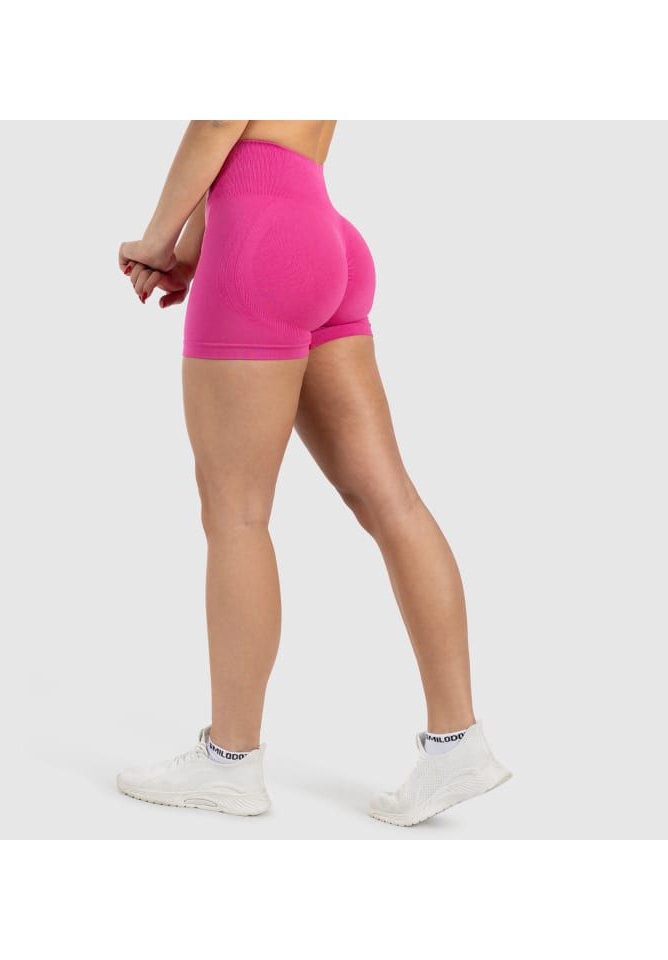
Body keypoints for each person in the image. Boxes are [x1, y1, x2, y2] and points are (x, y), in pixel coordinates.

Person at [115, 120, 512, 826]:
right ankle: (459, 743)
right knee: (392, 500)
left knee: (236, 514)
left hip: (260, 240)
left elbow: (221, 123)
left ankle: (230, 762)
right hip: (321, 231)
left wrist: (157, 239)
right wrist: (195, 251)